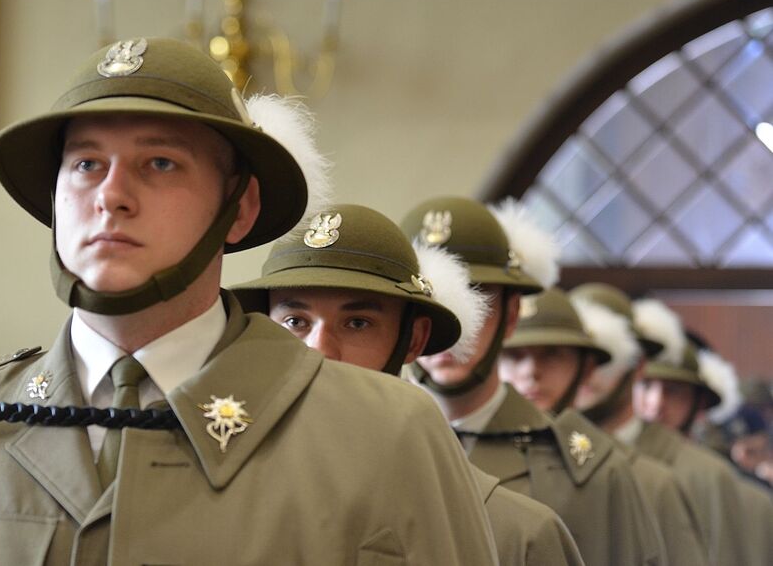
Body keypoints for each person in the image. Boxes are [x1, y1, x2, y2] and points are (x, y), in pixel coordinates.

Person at [0, 38, 501, 565]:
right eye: (87, 163)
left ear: (240, 208)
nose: (111, 195)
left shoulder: (385, 435)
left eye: (161, 164)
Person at [234, 202, 585, 566]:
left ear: (413, 340)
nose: (319, 350)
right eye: (295, 321)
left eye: (357, 323)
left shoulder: (516, 534)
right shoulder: (218, 495)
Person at [397, 197, 664, 566]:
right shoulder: (359, 449)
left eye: (475, 298)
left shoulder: (592, 474)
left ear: (511, 315)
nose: (453, 325)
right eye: (432, 299)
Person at [501, 286, 708, 566]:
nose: (530, 372)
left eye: (552, 354)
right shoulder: (463, 454)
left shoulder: (631, 474)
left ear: (584, 368)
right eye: (514, 356)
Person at [626, 296, 773, 565]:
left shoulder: (719, 480)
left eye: (674, 391)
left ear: (699, 402)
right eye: (646, 386)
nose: (656, 404)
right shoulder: (614, 465)